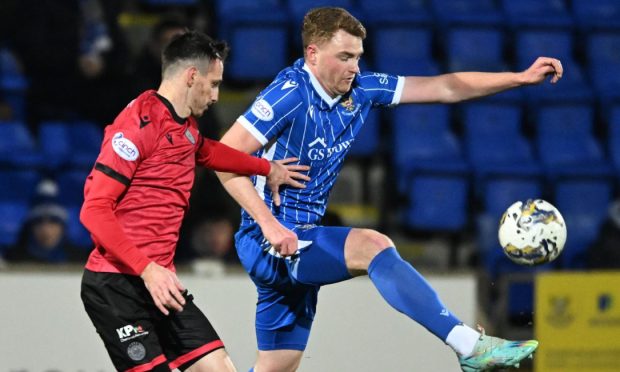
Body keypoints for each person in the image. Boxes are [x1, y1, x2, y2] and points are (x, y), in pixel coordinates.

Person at [216, 7, 563, 372]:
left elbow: (443, 87)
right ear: (312, 54)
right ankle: (469, 345)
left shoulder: (362, 89)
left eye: (358, 57)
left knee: (276, 367)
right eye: (345, 57)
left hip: (299, 241)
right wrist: (270, 221)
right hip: (269, 240)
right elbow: (223, 158)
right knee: (374, 245)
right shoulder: (288, 95)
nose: (354, 67)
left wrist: (519, 78)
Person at [79, 30, 310, 372]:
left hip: (160, 284)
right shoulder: (136, 126)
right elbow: (94, 211)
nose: (216, 96)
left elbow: (206, 151)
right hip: (117, 285)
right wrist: (146, 269)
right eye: (213, 84)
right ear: (191, 76)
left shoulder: (183, 126)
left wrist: (266, 168)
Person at [5, 179, 87, 264]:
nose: (46, 229)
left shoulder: (79, 260)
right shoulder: (12, 259)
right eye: (39, 222)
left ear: (63, 227)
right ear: (30, 227)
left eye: (53, 221)